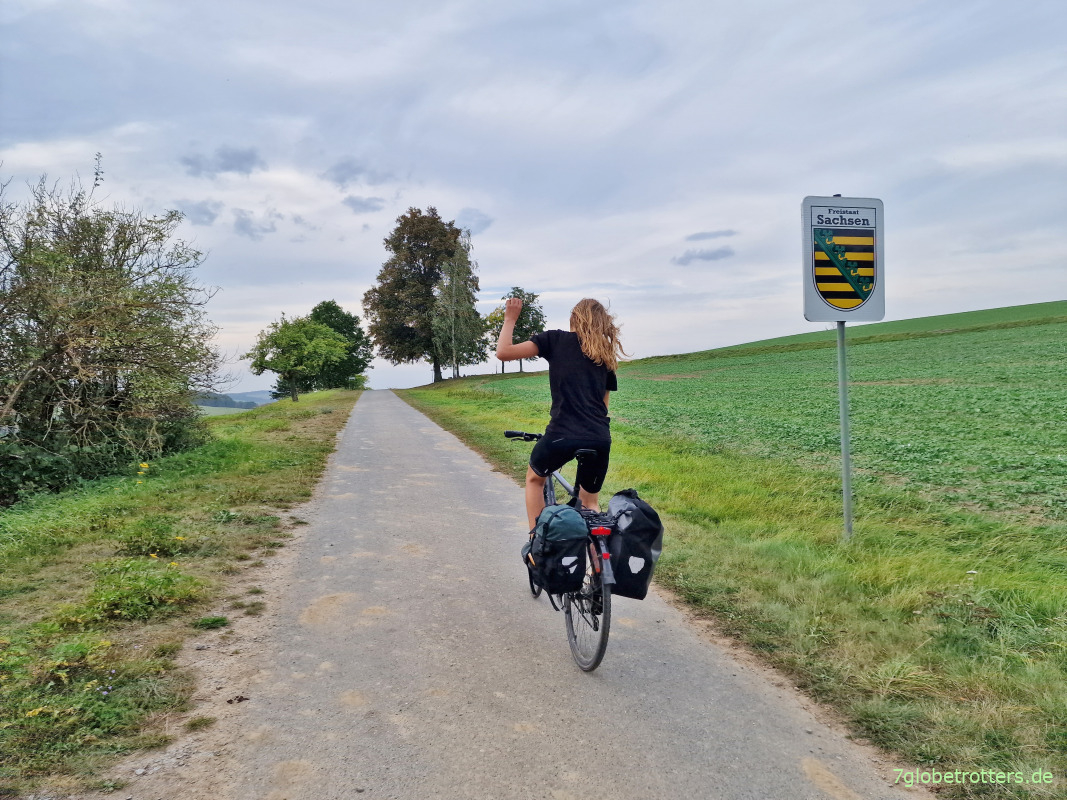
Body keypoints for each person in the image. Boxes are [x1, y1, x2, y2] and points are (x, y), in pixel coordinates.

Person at [496, 297, 627, 531]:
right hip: (599, 438)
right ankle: (598, 553)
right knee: (590, 504)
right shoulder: (605, 355)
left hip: (561, 434)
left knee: (534, 480)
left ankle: (537, 540)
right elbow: (603, 406)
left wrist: (510, 319)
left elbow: (504, 352)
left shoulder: (555, 339)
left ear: (574, 318)